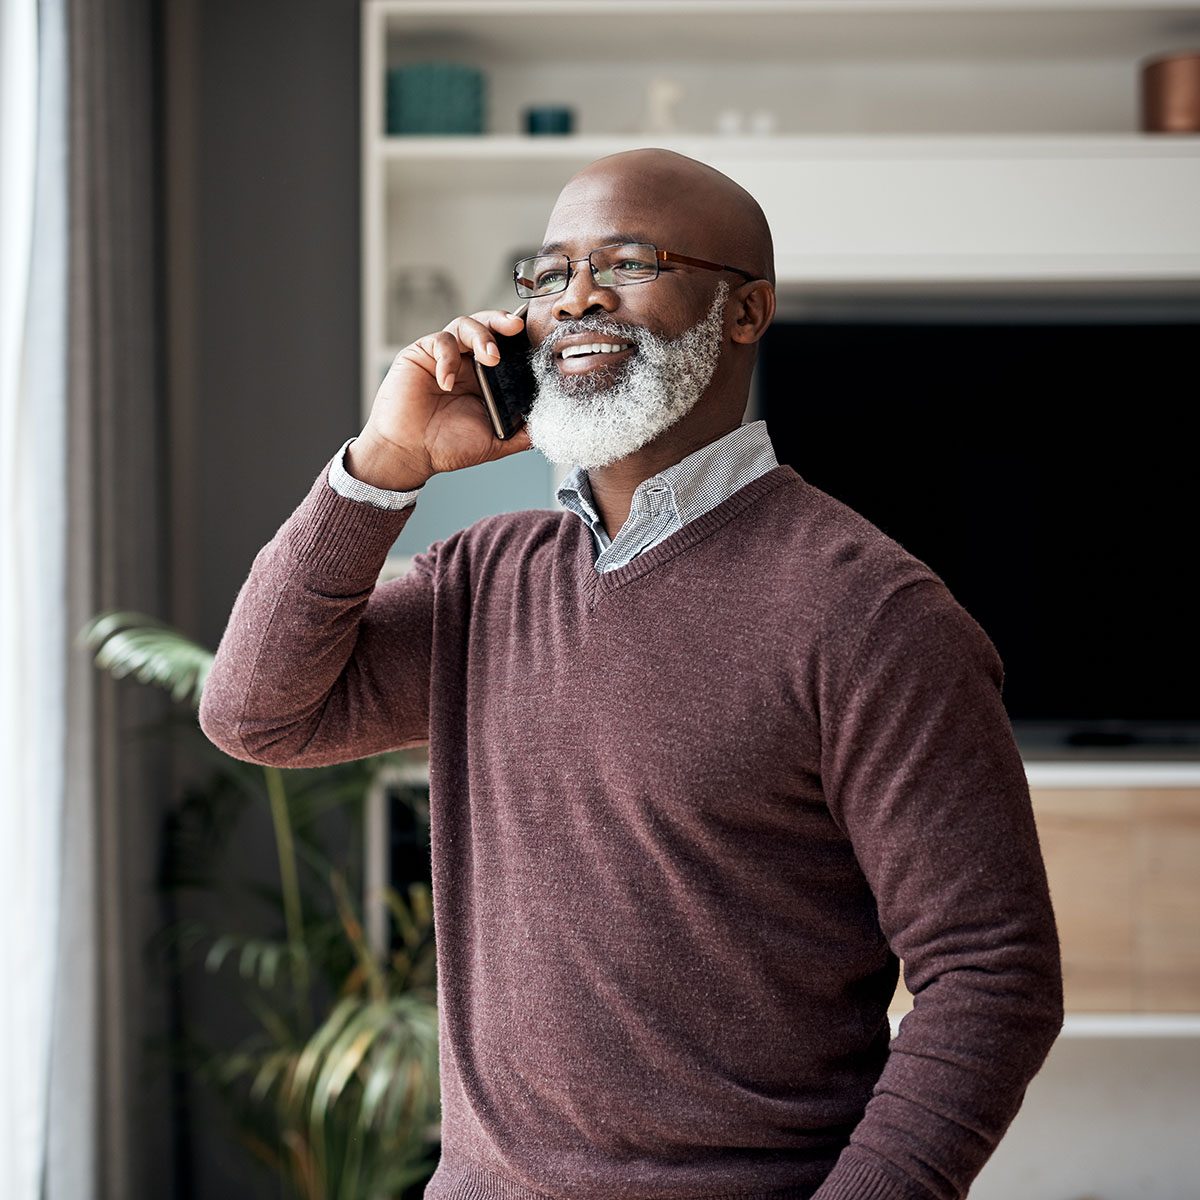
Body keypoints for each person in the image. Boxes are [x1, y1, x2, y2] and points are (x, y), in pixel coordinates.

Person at [199, 148, 1064, 1200]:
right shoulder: (485, 578)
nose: (580, 297)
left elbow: (993, 979)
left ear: (746, 312)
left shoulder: (871, 616)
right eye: (551, 271)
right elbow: (256, 715)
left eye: (630, 261)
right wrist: (383, 466)